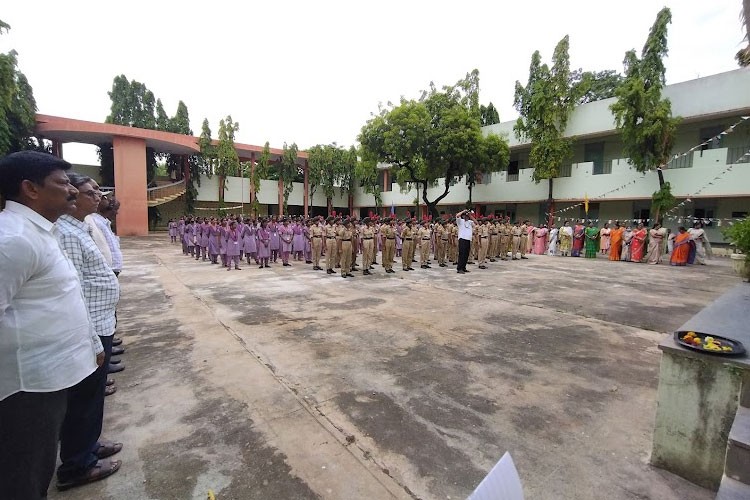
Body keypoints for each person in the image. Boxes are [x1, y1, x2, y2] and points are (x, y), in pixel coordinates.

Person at [0, 152, 105, 500]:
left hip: (50, 378)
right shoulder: (13, 240)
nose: (72, 191)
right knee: (23, 478)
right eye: (62, 183)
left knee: (37, 471)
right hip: (28, 388)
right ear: (30, 188)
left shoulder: (40, 232)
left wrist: (91, 344)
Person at [55, 172, 122, 491]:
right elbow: (74, 288)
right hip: (89, 326)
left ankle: (88, 446)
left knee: (91, 397)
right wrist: (92, 337)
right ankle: (78, 463)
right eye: (89, 191)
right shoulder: (66, 232)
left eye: (97, 190)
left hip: (99, 321)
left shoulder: (81, 227)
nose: (98, 195)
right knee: (83, 398)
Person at [456, 209, 476, 274]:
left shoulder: (470, 222)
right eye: (465, 216)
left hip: (468, 239)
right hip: (462, 239)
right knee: (462, 254)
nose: (466, 217)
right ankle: (459, 268)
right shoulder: (460, 221)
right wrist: (463, 211)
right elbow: (457, 215)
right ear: (463, 216)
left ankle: (464, 267)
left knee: (466, 254)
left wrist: (470, 215)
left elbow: (476, 223)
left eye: (467, 216)